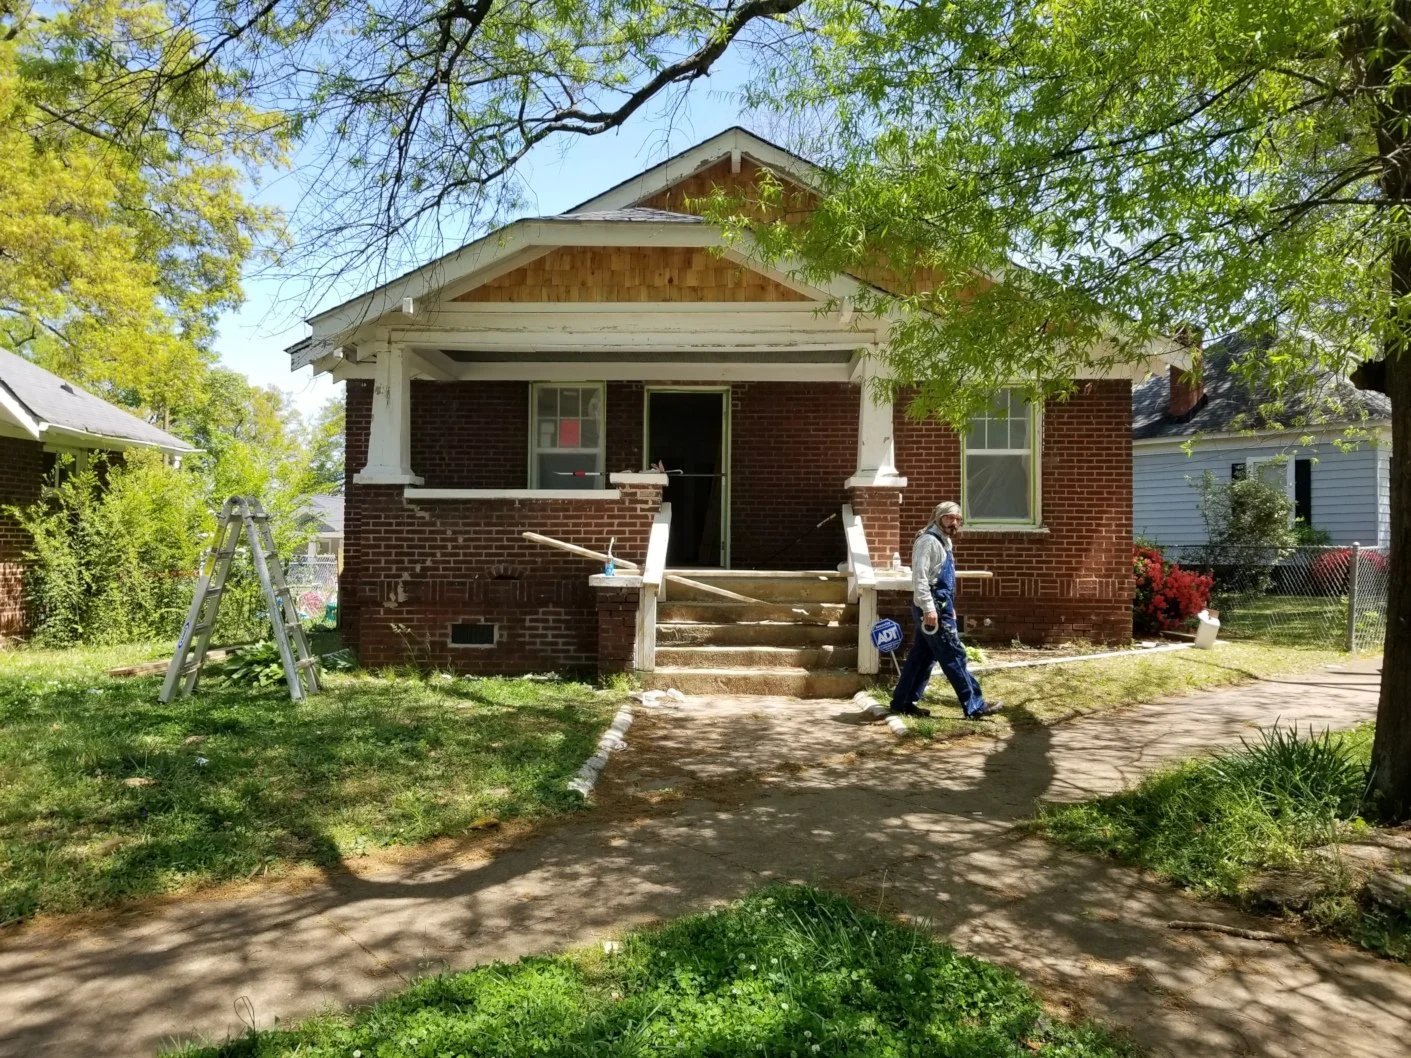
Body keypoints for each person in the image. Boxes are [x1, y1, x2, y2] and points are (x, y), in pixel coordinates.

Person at [889, 501, 1002, 719]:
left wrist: (951, 609)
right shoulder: (928, 542)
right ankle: (975, 705)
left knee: (922, 657)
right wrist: (930, 609)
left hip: (941, 607)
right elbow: (920, 579)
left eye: (958, 519)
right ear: (938, 517)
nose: (954, 523)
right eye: (949, 518)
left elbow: (945, 581)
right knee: (954, 654)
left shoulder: (944, 542)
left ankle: (902, 702)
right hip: (931, 607)